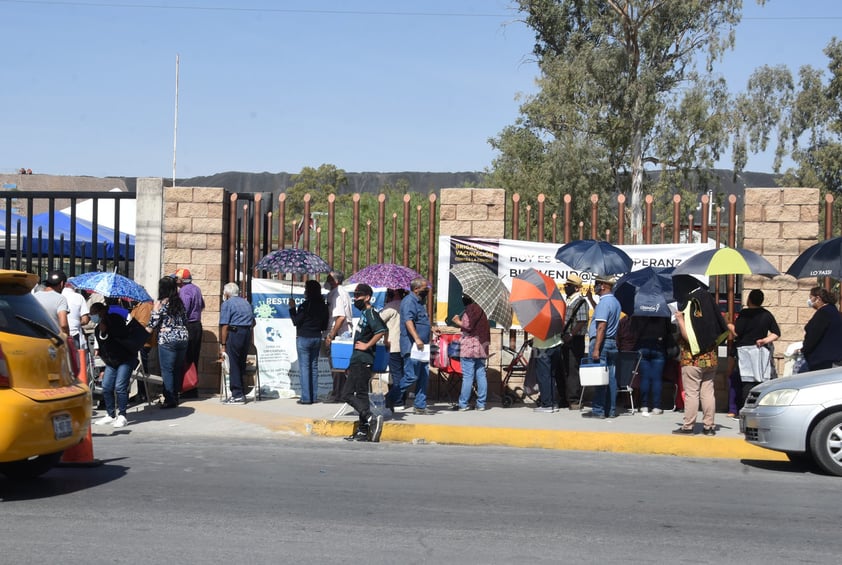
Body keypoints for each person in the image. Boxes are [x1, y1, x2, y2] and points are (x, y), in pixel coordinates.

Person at [343, 284, 386, 442]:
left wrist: (367, 345)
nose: (356, 299)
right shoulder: (364, 314)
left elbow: (381, 330)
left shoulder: (371, 313)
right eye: (354, 296)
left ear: (367, 297)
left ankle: (370, 417)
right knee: (361, 395)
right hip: (357, 360)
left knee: (346, 394)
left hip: (364, 360)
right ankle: (363, 431)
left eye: (358, 296)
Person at [727, 289, 780, 416]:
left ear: (749, 299)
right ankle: (759, 408)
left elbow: (738, 332)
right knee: (760, 380)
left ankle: (743, 410)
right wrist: (764, 340)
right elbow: (776, 333)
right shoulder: (767, 314)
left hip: (744, 351)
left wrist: (728, 324)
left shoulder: (745, 314)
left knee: (745, 381)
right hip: (760, 351)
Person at [388, 277, 434, 415]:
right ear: (416, 289)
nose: (427, 290)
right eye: (424, 288)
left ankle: (420, 405)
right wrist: (417, 338)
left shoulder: (420, 302)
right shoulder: (409, 301)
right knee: (411, 376)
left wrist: (432, 329)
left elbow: (421, 321)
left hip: (422, 347)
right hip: (412, 345)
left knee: (423, 376)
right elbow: (408, 322)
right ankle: (389, 399)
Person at [90, 302, 137, 428]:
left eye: (94, 313)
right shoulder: (97, 329)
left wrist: (109, 329)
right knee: (106, 386)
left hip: (124, 359)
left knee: (120, 386)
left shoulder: (115, 321)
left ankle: (122, 415)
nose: (92, 316)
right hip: (111, 362)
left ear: (101, 312)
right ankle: (110, 415)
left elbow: (122, 336)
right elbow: (102, 347)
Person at [673, 306, 718, 435]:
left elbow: (690, 339)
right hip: (710, 359)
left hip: (692, 360)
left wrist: (681, 320)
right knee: (708, 392)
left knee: (692, 393)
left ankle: (688, 426)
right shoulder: (711, 315)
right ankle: (709, 427)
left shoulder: (691, 316)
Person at [582, 274, 621, 419]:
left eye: (597, 284)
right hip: (611, 343)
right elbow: (601, 313)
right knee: (610, 377)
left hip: (602, 343)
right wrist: (591, 299)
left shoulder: (605, 303)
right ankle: (610, 410)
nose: (595, 286)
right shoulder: (614, 302)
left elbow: (601, 327)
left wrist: (596, 348)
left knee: (599, 378)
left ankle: (598, 410)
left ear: (604, 286)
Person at [146, 276, 189, 409]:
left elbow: (153, 323)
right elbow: (185, 320)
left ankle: (170, 399)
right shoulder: (179, 302)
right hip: (182, 337)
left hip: (167, 338)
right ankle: (175, 396)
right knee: (177, 368)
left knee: (167, 370)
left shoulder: (161, 303)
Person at [288, 279, 328, 405]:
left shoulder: (305, 305)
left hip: (304, 338)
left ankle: (306, 398)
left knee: (305, 367)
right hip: (316, 337)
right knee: (314, 367)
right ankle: (314, 396)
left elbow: (296, 321)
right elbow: (324, 325)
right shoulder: (323, 305)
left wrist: (292, 308)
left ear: (308, 291)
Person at [451, 293, 491, 411]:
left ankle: (463, 404)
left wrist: (457, 321)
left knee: (468, 376)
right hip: (482, 348)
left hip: (469, 348)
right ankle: (481, 403)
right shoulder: (483, 311)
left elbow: (468, 326)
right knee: (481, 374)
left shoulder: (470, 309)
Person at [220, 282, 256, 404]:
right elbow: (253, 322)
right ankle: (240, 391)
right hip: (247, 333)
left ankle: (237, 395)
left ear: (227, 293)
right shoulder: (246, 303)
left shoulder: (227, 304)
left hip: (235, 333)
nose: (224, 294)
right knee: (241, 363)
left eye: (224, 292)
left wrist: (223, 344)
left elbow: (225, 325)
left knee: (234, 363)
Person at [628, 316, 672, 416]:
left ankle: (645, 406)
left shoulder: (639, 311)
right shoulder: (662, 312)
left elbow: (632, 330)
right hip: (658, 345)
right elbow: (669, 330)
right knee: (657, 379)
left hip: (642, 344)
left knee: (645, 378)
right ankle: (656, 407)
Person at [173, 267, 204, 395]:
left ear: (181, 280)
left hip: (188, 326)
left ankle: (187, 388)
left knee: (186, 358)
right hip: (197, 325)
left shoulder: (184, 291)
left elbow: (184, 309)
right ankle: (193, 387)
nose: (175, 281)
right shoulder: (196, 289)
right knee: (194, 357)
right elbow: (202, 305)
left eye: (177, 278)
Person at [560, 274, 589, 410]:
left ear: (577, 288)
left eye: (569, 285)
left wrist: (571, 334)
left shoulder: (581, 301)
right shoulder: (568, 300)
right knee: (564, 369)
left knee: (573, 369)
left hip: (575, 339)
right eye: (566, 285)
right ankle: (564, 398)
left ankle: (574, 400)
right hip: (566, 337)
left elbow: (582, 320)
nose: (566, 287)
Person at [324, 270, 353, 401]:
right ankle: (339, 392)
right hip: (340, 334)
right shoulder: (340, 292)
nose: (327, 281)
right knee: (339, 366)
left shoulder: (338, 293)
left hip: (339, 335)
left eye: (329, 279)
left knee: (337, 366)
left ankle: (338, 394)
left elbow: (341, 317)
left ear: (335, 281)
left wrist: (331, 335)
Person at [800, 286, 842, 372]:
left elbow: (814, 336)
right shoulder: (833, 311)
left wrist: (804, 350)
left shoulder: (823, 313)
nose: (809, 301)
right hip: (833, 359)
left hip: (822, 361)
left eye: (811, 298)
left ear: (818, 298)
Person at [379, 288, 406, 411]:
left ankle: (398, 401)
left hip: (393, 344)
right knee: (404, 373)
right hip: (406, 345)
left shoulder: (391, 307)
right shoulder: (408, 305)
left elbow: (379, 321)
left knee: (396, 374)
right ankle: (402, 398)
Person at [531, 327, 562, 414]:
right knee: (551, 375)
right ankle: (553, 402)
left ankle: (547, 404)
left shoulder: (539, 316)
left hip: (542, 346)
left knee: (543, 376)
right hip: (557, 344)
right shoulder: (556, 315)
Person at [33, 269, 70, 335]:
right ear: (61, 284)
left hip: (34, 337)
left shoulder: (34, 296)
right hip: (52, 339)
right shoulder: (61, 299)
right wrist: (67, 337)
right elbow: (63, 325)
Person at [62, 280, 90, 350]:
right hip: (74, 334)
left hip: (58, 334)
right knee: (76, 358)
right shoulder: (79, 297)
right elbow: (85, 320)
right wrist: (75, 322)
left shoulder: (58, 296)